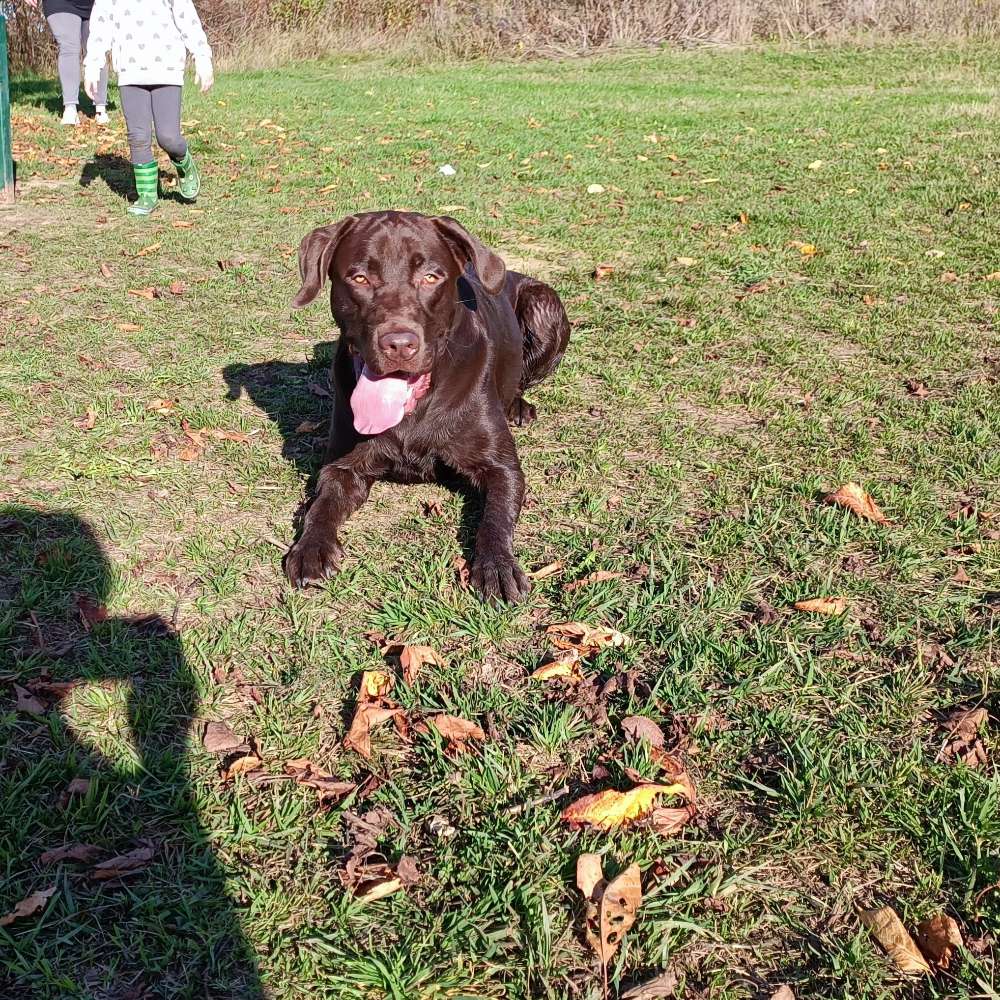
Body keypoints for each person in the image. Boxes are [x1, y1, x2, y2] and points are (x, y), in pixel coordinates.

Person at [82, 0, 213, 217]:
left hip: (167, 69)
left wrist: (202, 56)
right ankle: (147, 195)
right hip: (129, 72)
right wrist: (93, 64)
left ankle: (183, 161)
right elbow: (101, 23)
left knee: (168, 137)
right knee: (138, 137)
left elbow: (186, 16)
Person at [25, 0, 109, 125]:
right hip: (60, 3)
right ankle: (70, 108)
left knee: (97, 48)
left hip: (95, 3)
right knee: (68, 46)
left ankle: (100, 108)